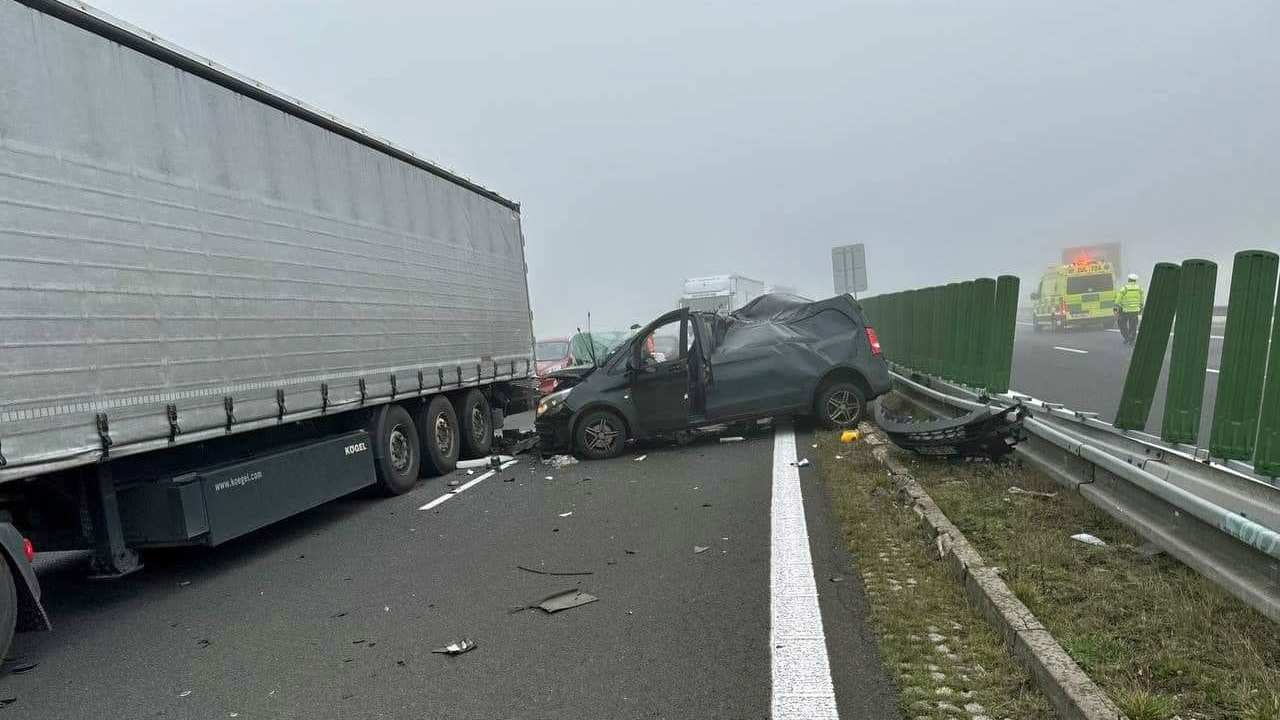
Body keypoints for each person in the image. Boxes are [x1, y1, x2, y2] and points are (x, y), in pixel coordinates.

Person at [1115, 273, 1144, 345]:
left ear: (1129, 280)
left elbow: (1118, 298)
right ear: (1135, 281)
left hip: (1125, 310)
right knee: (1133, 325)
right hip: (1135, 310)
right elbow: (1142, 298)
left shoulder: (1124, 288)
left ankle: (1127, 336)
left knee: (1121, 323)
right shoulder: (1139, 288)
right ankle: (1132, 338)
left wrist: (1116, 306)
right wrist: (1141, 306)